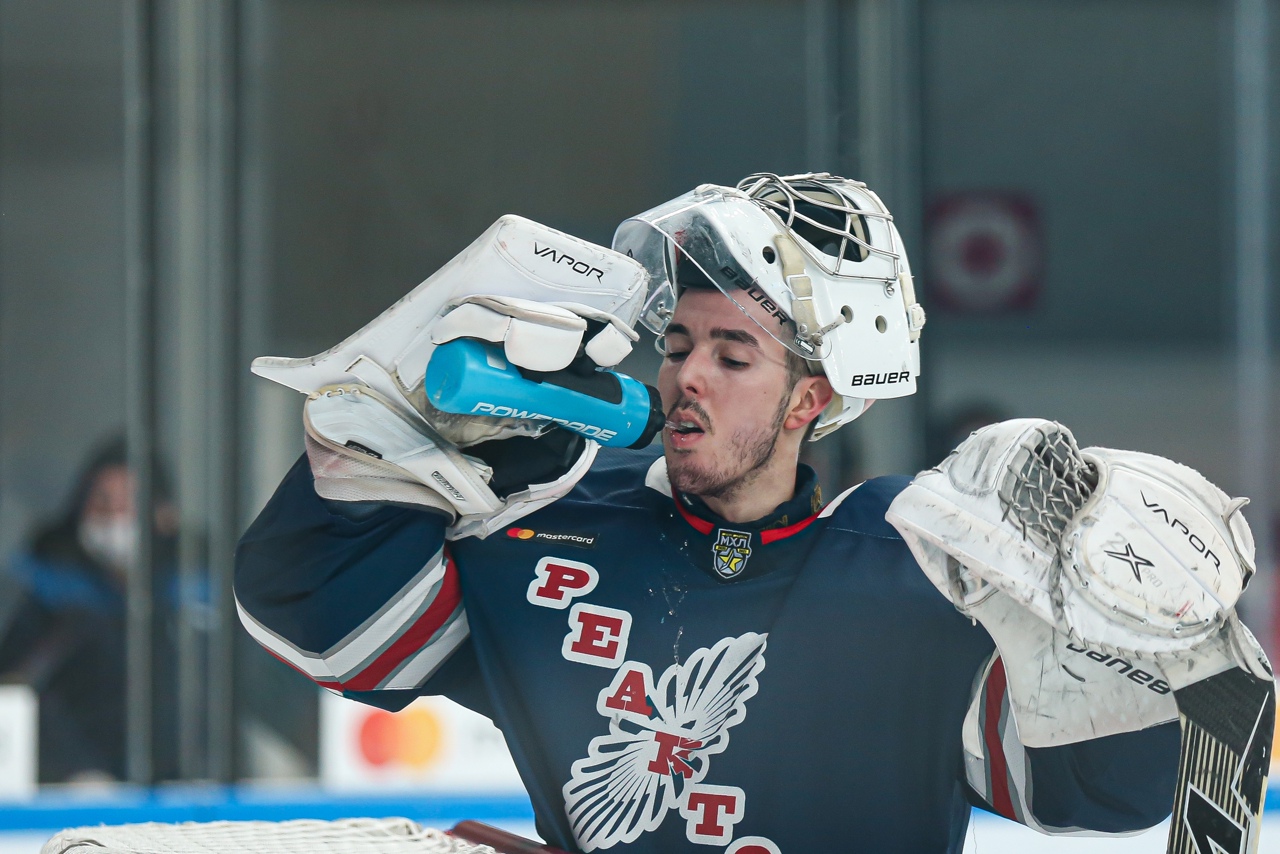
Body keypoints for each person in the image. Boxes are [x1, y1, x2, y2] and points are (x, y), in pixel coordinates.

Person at [235, 174, 1264, 852]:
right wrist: (388, 441)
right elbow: (321, 622)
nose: (687, 375)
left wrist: (1132, 645)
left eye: (733, 356)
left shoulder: (923, 569)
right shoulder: (551, 532)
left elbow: (1109, 788)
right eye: (678, 345)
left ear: (810, 400)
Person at [0, 437, 187, 783]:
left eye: (130, 502)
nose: (114, 516)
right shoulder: (47, 592)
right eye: (102, 502)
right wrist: (78, 774)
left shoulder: (195, 596)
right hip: (69, 792)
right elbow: (17, 690)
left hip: (182, 791)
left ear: (165, 516)